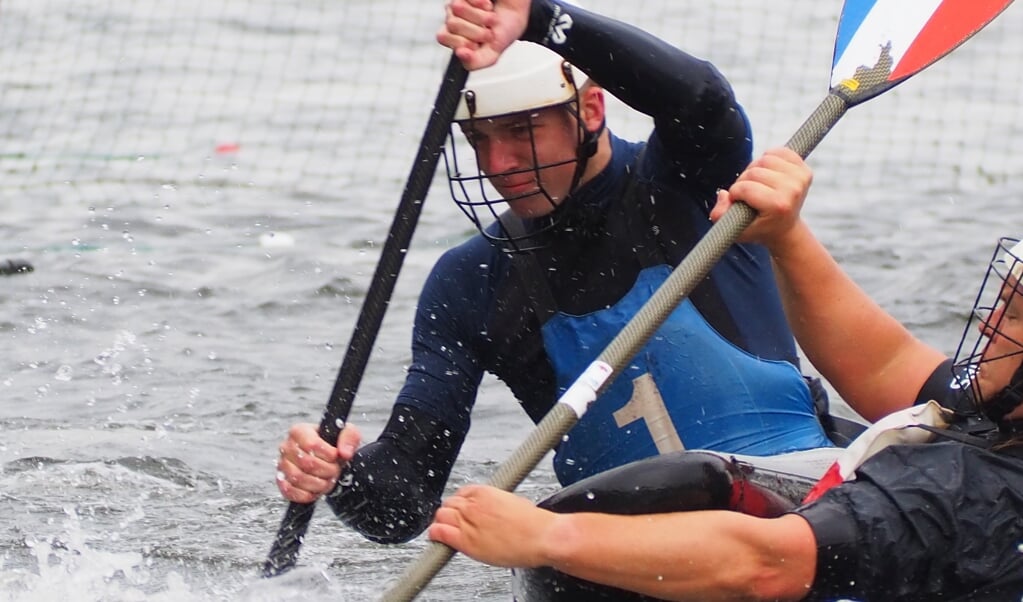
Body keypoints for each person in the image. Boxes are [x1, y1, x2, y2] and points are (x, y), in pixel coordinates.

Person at [275, 0, 856, 544]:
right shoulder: (469, 281)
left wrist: (541, 16)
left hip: (798, 506)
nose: (498, 165)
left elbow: (701, 97)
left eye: (521, 131)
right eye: (479, 139)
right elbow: (403, 506)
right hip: (621, 549)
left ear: (592, 110)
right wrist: (339, 476)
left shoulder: (685, 185)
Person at [426, 147, 1023, 601]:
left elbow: (768, 565)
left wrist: (544, 539)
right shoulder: (995, 420)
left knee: (679, 494)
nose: (988, 318)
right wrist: (787, 238)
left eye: (1014, 314)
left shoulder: (963, 496)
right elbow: (887, 363)